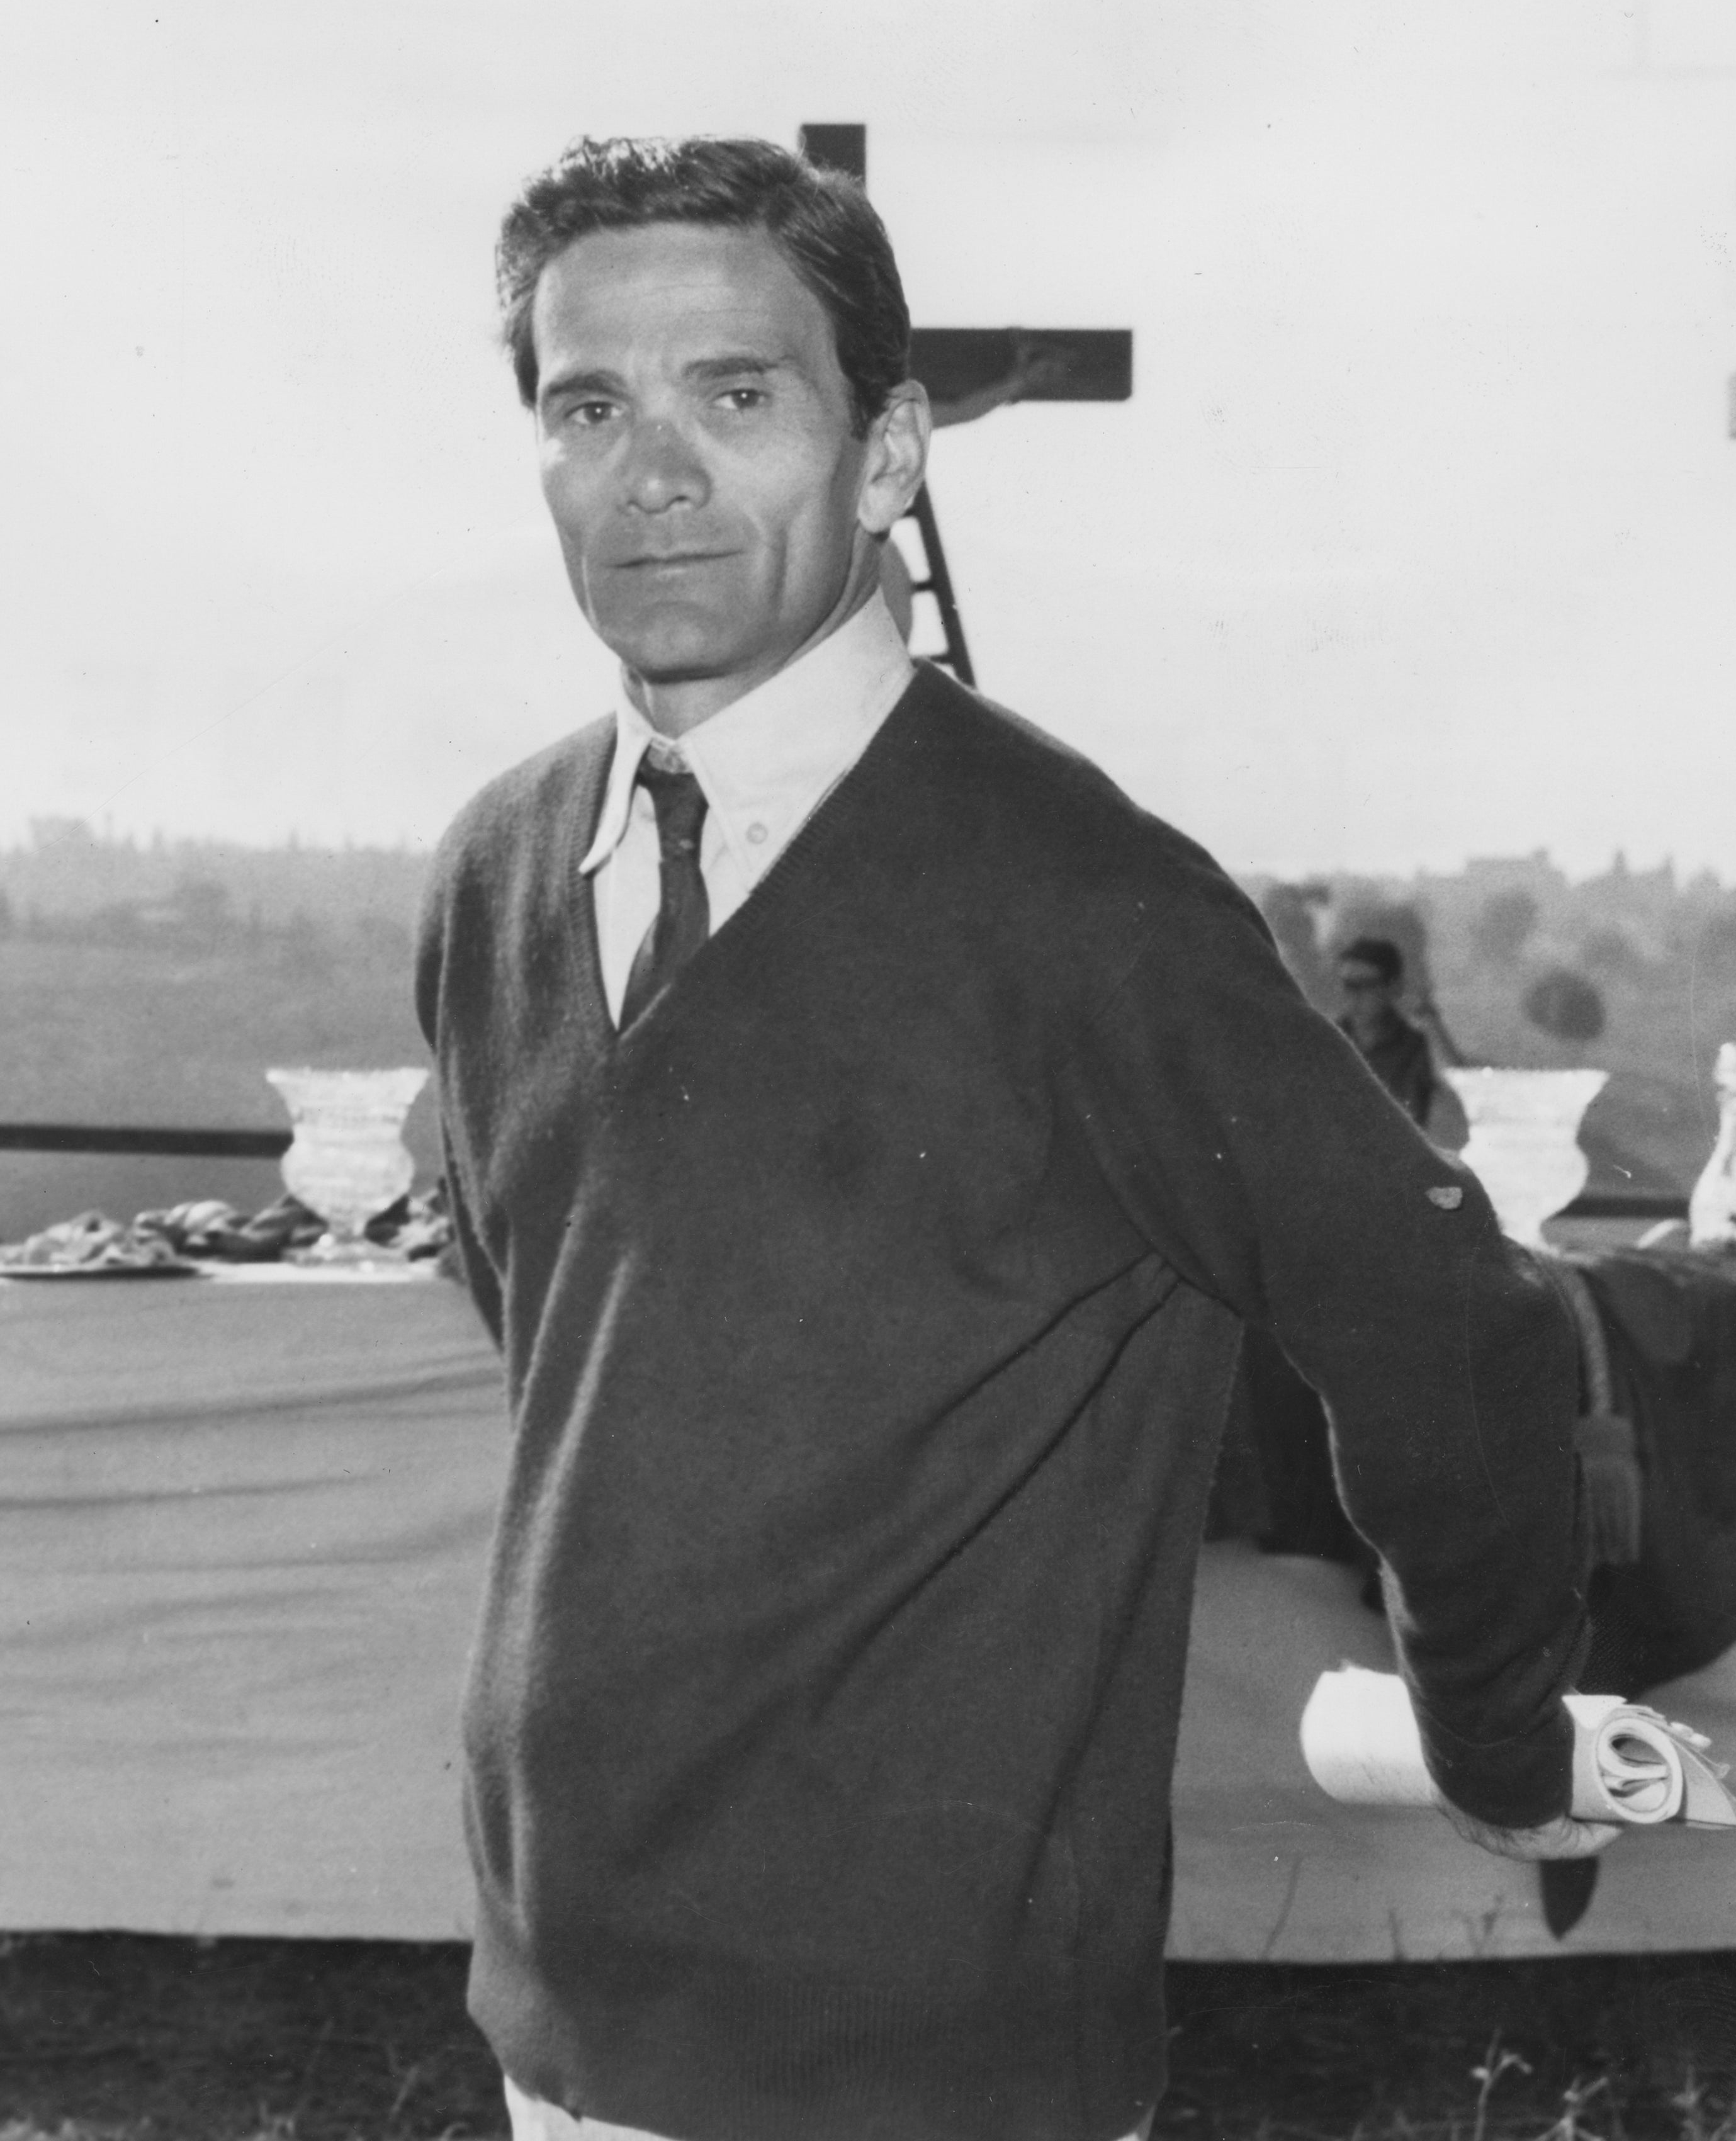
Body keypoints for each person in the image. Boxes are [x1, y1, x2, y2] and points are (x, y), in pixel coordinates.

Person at [414, 137, 1603, 2141]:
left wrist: (1493, 1736)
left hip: (933, 2064)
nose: (657, 472)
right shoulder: (502, 868)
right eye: (589, 406)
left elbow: (1452, 1326)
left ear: (888, 456)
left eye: (736, 393)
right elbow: (576, 1352)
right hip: (564, 2012)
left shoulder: (1083, 904)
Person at [1334, 934, 1440, 1131]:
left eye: (1366, 985)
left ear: (1393, 987)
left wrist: (1430, 1020)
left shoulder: (1416, 1048)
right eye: (1348, 985)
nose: (1354, 996)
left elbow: (1458, 1085)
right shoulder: (1328, 1045)